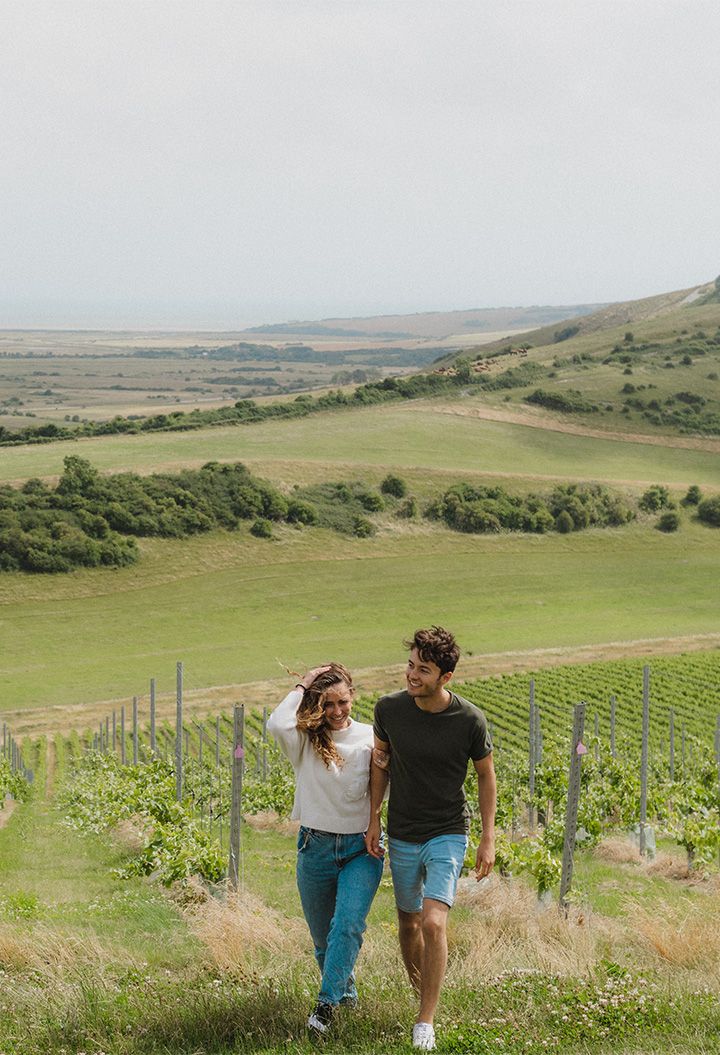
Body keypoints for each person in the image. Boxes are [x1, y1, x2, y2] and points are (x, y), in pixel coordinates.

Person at [365, 626, 496, 1051]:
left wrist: (487, 838)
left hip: (447, 832)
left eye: (423, 669)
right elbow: (380, 763)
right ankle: (423, 992)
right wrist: (373, 819)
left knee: (433, 922)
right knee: (407, 923)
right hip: (402, 833)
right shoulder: (388, 709)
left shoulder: (470, 720)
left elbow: (485, 776)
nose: (412, 675)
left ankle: (425, 1021)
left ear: (446, 677)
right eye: (410, 665)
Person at [267, 662, 383, 1039]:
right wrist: (304, 684)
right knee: (322, 941)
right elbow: (276, 723)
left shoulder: (371, 736)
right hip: (314, 847)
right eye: (328, 703)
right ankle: (346, 995)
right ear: (317, 703)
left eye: (343, 702)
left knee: (347, 926)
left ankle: (325, 1007)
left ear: (354, 698)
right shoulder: (304, 741)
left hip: (360, 850)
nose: (336, 711)